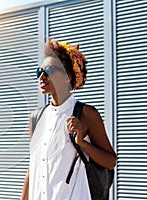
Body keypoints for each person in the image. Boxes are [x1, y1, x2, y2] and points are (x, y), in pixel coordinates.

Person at [20, 38, 117, 200]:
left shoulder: (86, 113)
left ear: (67, 77)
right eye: (39, 71)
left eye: (49, 71)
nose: (42, 77)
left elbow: (110, 161)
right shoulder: (36, 118)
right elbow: (33, 167)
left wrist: (82, 143)